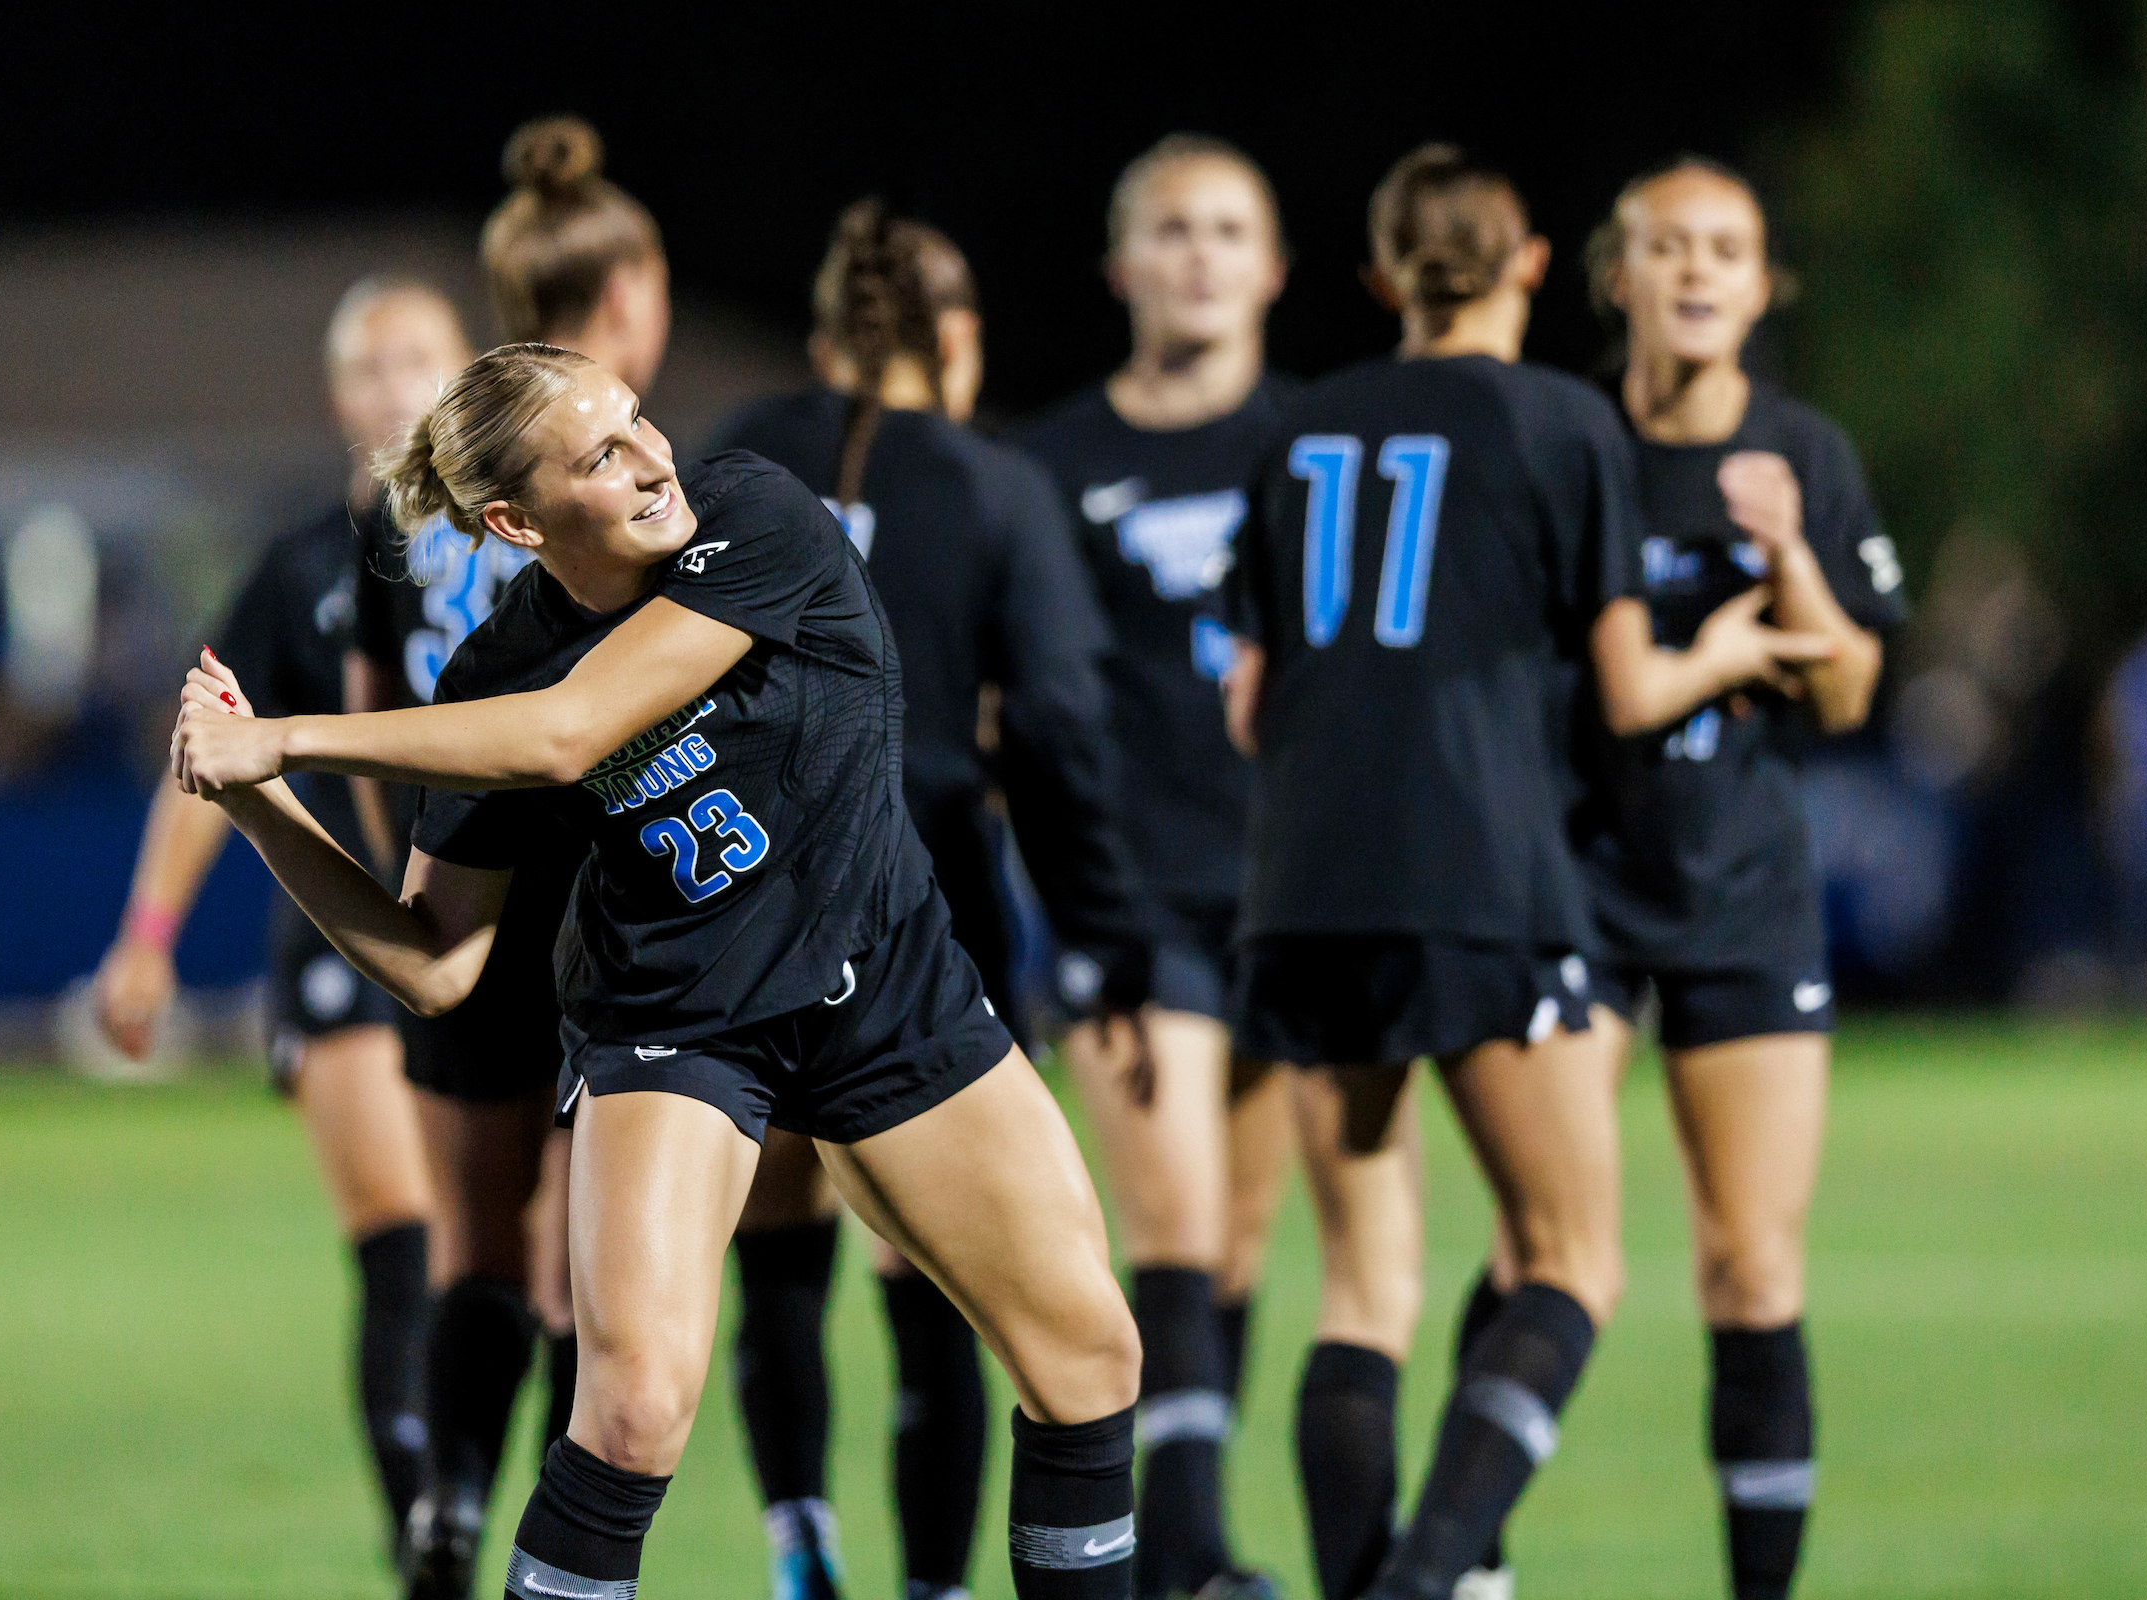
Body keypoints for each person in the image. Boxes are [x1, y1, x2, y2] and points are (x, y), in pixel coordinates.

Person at [169, 342, 1145, 1600]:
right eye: (600, 455)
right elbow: (433, 962)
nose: (648, 460)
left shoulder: (756, 514)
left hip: (884, 985)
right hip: (680, 1028)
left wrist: (285, 737)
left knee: (1090, 1364)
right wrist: (262, 806)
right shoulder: (496, 670)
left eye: (636, 422)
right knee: (628, 1413)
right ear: (517, 520)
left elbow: (574, 728)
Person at [1219, 146, 1831, 1600]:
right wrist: (1738, 651)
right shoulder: (1565, 423)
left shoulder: (1294, 428)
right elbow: (1626, 695)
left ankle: (1386, 1578)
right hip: (1479, 880)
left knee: (1363, 1290)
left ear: (1380, 277)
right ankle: (1426, 1581)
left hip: (1300, 887)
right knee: (1570, 1261)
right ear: (1538, 265)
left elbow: (1245, 704)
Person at [705, 198, 1156, 1600]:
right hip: (923, 923)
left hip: (739, 904)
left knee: (775, 1242)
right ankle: (939, 1581)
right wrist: (1114, 942)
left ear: (828, 329)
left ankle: (799, 1541)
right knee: (943, 1275)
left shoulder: (733, 461)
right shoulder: (991, 482)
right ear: (952, 339)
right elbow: (1067, 735)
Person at [1530, 156, 1892, 1600]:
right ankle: (1469, 1565)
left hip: (1740, 890)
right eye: (1665, 245)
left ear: (1760, 285)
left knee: (1749, 1266)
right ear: (1615, 277)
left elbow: (1853, 691)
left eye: (1725, 248)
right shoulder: (1564, 445)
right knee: (1545, 1249)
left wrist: (1788, 550)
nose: (1694, 270)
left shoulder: (1803, 448)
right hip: (1574, 891)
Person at [340, 114, 676, 1600]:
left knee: (477, 1251)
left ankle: (448, 1516)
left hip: (463, 902)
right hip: (619, 925)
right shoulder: (629, 480)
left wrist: (407, 899)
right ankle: (566, 1555)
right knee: (590, 1292)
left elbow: (373, 729)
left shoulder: (445, 477)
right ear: (629, 296)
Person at [91, 274, 471, 1558]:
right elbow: (210, 753)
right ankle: (427, 1532)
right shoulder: (304, 563)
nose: (391, 384)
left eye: (416, 355)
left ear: (466, 366)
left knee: (504, 1272)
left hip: (490, 933)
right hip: (344, 931)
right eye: (366, 365)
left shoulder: (515, 543)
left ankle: (475, 1504)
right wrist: (147, 939)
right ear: (334, 396)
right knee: (404, 1247)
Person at [1013, 134, 1299, 1600]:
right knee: (1173, 1226)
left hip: (1295, 894)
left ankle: (1187, 1524)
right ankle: (1188, 1559)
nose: (1199, 254)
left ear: (1273, 265)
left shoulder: (1321, 445)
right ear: (1121, 265)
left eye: (1227, 229)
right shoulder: (1054, 466)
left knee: (1238, 1242)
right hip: (1132, 902)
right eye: (1170, 230)